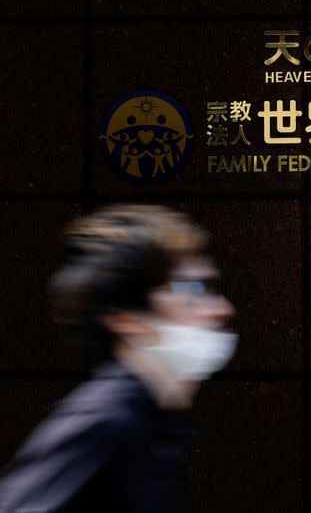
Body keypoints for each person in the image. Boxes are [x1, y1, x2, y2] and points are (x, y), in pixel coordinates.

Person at [0, 204, 237, 512]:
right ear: (124, 318)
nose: (221, 309)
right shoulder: (105, 421)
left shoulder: (156, 424)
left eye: (210, 287)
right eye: (192, 288)